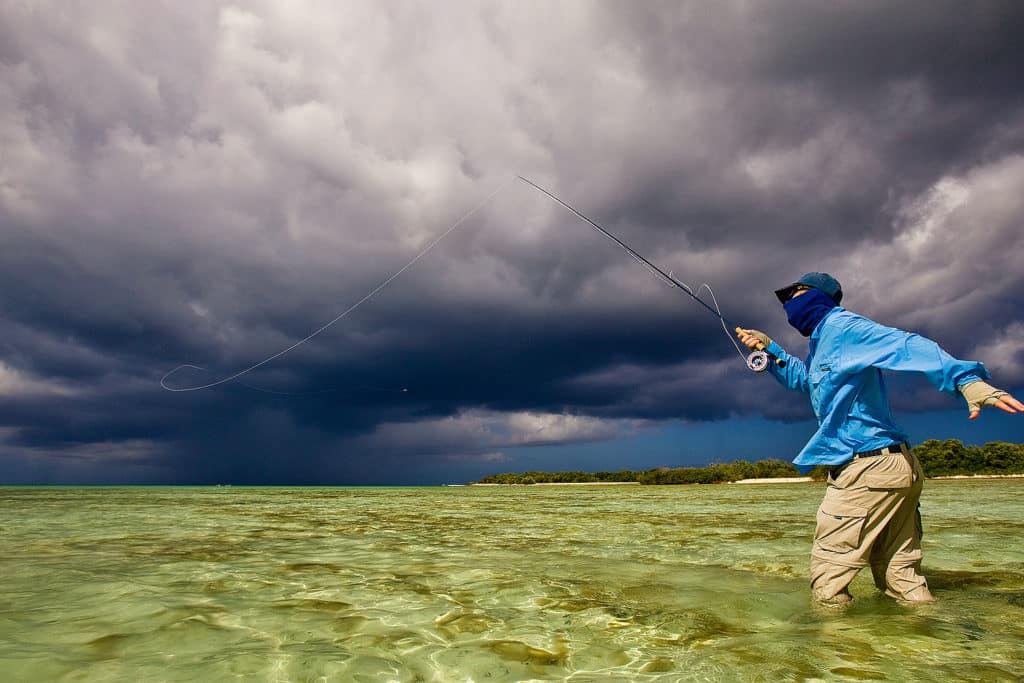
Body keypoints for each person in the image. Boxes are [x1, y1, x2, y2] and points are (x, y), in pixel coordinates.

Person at [735, 272, 1023, 604]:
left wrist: (965, 380)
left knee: (828, 587)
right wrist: (769, 349)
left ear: (819, 296)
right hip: (893, 470)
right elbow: (806, 381)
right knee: (901, 579)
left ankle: (834, 653)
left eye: (794, 294)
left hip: (868, 472)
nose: (788, 303)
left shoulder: (845, 328)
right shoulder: (822, 341)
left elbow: (906, 344)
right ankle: (937, 646)